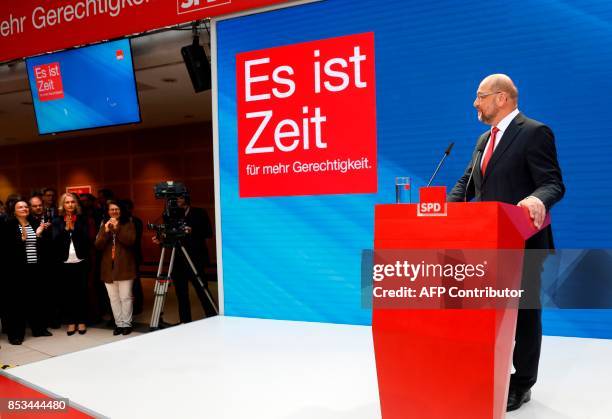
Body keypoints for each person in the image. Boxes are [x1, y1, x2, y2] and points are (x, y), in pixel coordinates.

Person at [449, 74, 565, 412]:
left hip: (524, 241)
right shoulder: (485, 138)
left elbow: (553, 184)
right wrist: (441, 212)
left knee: (525, 314)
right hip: (487, 243)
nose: (475, 103)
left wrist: (534, 200)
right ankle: (491, 370)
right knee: (489, 314)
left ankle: (522, 383)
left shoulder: (533, 132)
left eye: (480, 96)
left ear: (502, 98)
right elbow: (468, 182)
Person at [152, 193, 217, 323]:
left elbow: (208, 232)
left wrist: (192, 230)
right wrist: (161, 240)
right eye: (175, 199)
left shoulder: (199, 212)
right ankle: (185, 321)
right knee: (181, 293)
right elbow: (169, 235)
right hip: (177, 259)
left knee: (202, 288)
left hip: (195, 258)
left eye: (180, 198)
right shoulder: (170, 215)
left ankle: (212, 316)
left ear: (187, 199)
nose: (177, 201)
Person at [1, 200, 52, 344]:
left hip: (35, 268)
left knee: (36, 300)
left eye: (25, 206)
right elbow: (5, 250)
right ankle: (16, 334)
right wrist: (21, 240)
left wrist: (40, 235)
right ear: (14, 210)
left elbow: (45, 247)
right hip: (17, 271)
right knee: (17, 304)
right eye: (20, 207)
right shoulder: (8, 225)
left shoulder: (35, 223)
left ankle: (39, 329)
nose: (24, 208)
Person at [95, 201, 137, 335]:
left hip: (124, 266)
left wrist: (117, 229)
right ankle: (118, 324)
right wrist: (106, 231)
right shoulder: (104, 225)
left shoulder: (128, 224)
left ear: (121, 210)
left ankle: (127, 323)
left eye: (117, 209)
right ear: (108, 212)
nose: (114, 212)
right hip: (108, 268)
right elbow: (98, 245)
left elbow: (130, 241)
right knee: (113, 298)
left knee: (126, 297)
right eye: (111, 210)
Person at [51, 193, 91, 336]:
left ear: (76, 204)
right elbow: (54, 241)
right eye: (67, 202)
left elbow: (87, 239)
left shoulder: (82, 219)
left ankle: (81, 320)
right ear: (63, 205)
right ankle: (71, 321)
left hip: (80, 261)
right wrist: (65, 230)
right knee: (67, 294)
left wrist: (74, 229)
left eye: (72, 202)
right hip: (64, 262)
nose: (70, 205)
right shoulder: (56, 221)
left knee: (81, 292)